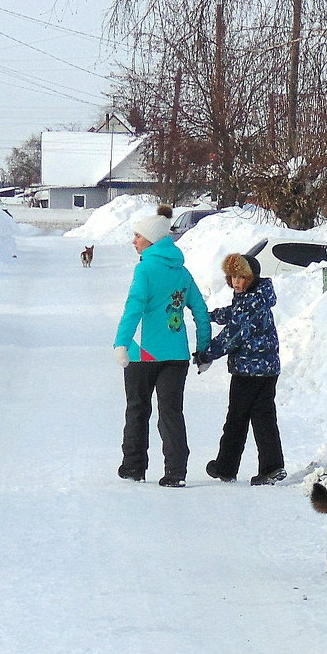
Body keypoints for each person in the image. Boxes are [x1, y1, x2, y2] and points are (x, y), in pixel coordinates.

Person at [114, 204, 211, 488]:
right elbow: (201, 311)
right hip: (176, 355)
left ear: (152, 240)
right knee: (171, 412)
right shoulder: (182, 271)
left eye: (138, 236)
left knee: (137, 409)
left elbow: (133, 308)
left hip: (142, 353)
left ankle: (133, 467)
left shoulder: (144, 269)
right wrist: (203, 349)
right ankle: (175, 472)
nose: (134, 241)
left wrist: (121, 342)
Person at [195, 253, 286, 486]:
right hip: (267, 369)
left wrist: (207, 353)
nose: (236, 282)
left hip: (249, 371)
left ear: (252, 277)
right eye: (232, 277)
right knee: (263, 417)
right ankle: (272, 467)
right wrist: (212, 316)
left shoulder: (250, 302)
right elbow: (235, 314)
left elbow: (233, 335)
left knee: (237, 417)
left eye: (241, 277)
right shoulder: (257, 297)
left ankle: (226, 466)